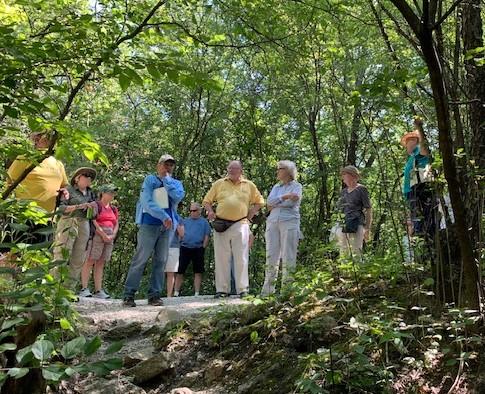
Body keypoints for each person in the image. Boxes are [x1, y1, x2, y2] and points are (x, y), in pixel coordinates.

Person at [123, 154, 185, 307]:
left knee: (161, 261)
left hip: (168, 227)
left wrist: (167, 182)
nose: (167, 167)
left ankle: (155, 295)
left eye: (170, 165)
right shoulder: (150, 180)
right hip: (149, 224)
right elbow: (147, 201)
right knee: (141, 258)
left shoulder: (175, 183)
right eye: (165, 164)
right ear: (158, 165)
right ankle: (129, 294)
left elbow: (178, 197)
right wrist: (163, 215)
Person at [203, 160, 264, 298]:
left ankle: (243, 289)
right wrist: (210, 211)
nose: (232, 171)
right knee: (221, 257)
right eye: (230, 168)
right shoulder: (219, 183)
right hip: (221, 224)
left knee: (241, 257)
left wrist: (252, 212)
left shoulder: (249, 185)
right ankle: (222, 290)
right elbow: (206, 201)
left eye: (235, 168)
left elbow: (260, 201)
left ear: (241, 171)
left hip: (240, 223)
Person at [5, 132, 69, 247]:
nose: (50, 139)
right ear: (36, 139)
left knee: (38, 256)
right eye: (47, 136)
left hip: (46, 218)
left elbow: (63, 186)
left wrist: (65, 192)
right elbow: (10, 183)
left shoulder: (58, 164)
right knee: (12, 252)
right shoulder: (25, 158)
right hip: (23, 214)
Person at [261, 160, 302, 296]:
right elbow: (269, 203)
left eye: (280, 169)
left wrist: (278, 202)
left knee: (288, 255)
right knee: (271, 255)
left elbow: (292, 202)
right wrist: (284, 196)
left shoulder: (297, 186)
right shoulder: (276, 187)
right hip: (273, 222)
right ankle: (267, 292)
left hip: (289, 222)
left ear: (288, 171)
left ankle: (287, 291)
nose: (277, 171)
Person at [53, 167, 98, 289]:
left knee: (78, 257)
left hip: (84, 224)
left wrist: (93, 208)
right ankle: (54, 286)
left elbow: (95, 214)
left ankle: (69, 288)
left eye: (91, 177)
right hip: (68, 222)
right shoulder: (68, 190)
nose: (88, 179)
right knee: (62, 253)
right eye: (86, 175)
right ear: (77, 178)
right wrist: (79, 206)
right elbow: (61, 209)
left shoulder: (91, 193)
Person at [79, 184, 119, 299]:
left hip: (110, 236)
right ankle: (84, 288)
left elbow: (116, 223)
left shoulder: (113, 208)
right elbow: (92, 220)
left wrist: (113, 234)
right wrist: (102, 233)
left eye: (113, 193)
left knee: (101, 262)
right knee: (90, 259)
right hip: (97, 235)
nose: (112, 195)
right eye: (110, 192)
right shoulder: (95, 205)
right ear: (103, 193)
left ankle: (98, 290)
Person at [401, 122, 436, 238]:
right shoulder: (411, 158)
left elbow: (425, 148)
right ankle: (421, 240)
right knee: (416, 219)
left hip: (421, 188)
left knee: (426, 218)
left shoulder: (419, 151)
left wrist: (418, 128)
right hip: (411, 192)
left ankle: (428, 238)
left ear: (415, 141)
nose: (406, 145)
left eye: (408, 141)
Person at [173, 202, 211, 297]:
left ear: (199, 211)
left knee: (198, 271)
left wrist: (203, 247)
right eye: (190, 211)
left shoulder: (204, 222)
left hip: (198, 248)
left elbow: (207, 235)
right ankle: (176, 292)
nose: (192, 212)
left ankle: (197, 293)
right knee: (180, 271)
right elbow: (179, 233)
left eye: (194, 210)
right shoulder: (185, 221)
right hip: (185, 247)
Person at [336, 165, 372, 257]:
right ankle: (345, 271)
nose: (343, 177)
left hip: (357, 223)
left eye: (345, 174)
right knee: (343, 251)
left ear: (352, 175)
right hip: (344, 223)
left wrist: (367, 228)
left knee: (356, 251)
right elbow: (340, 209)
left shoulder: (361, 189)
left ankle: (357, 270)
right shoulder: (343, 192)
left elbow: (368, 209)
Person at [165, 227, 183, 298]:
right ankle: (155, 294)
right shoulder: (160, 216)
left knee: (171, 272)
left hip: (173, 247)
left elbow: (182, 234)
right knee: (158, 271)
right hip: (159, 246)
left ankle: (169, 295)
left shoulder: (177, 219)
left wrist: (177, 225)